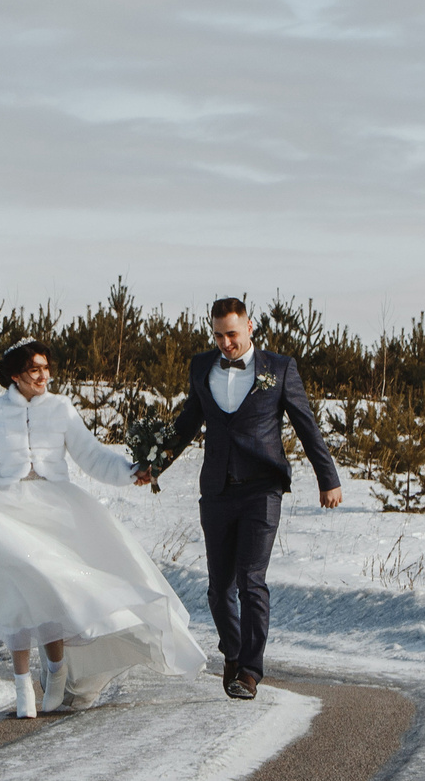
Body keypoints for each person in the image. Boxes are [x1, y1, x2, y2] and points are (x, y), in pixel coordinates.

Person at [0, 338, 204, 718]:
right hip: (10, 508)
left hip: (56, 509)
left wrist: (128, 472)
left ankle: (56, 671)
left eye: (46, 367)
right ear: (14, 375)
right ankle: (22, 684)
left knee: (51, 588)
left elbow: (91, 455)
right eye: (34, 369)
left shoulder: (60, 409)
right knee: (16, 594)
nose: (43, 376)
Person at [133, 298, 344, 699]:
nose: (225, 343)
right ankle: (232, 652)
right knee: (218, 589)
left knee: (251, 581)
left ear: (250, 327)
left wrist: (327, 478)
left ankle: (249, 671)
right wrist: (155, 465)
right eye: (218, 335)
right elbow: (186, 424)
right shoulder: (202, 367)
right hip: (216, 490)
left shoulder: (279, 369)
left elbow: (307, 425)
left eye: (232, 334)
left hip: (262, 488)